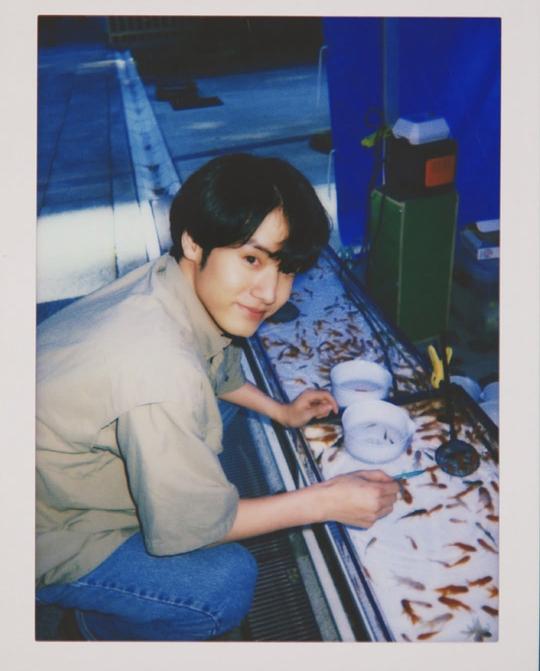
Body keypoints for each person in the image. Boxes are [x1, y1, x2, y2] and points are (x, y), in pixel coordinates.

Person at [36, 153, 399, 641]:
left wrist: (281, 411)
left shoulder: (169, 281)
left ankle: (175, 487)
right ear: (194, 241)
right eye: (252, 259)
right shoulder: (158, 367)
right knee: (223, 584)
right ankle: (93, 631)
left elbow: (215, 373)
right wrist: (326, 501)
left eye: (287, 269)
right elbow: (193, 528)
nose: (269, 292)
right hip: (40, 529)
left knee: (215, 408)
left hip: (52, 465)